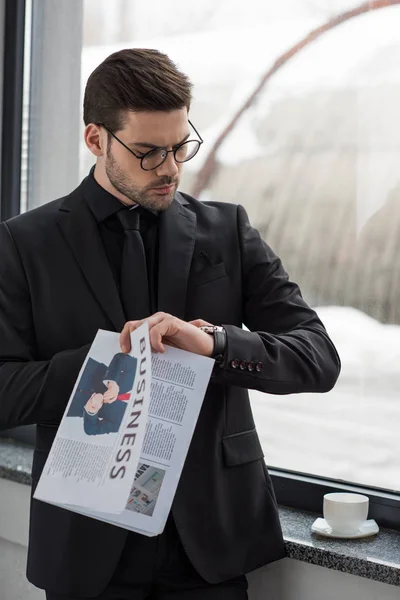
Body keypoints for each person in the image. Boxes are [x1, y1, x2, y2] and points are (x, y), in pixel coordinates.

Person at [0, 48, 341, 599]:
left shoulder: (228, 230)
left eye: (180, 146)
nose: (171, 169)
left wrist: (214, 343)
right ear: (95, 140)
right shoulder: (23, 243)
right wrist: (106, 364)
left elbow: (318, 358)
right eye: (148, 152)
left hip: (208, 547)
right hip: (86, 551)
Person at [67, 352, 137, 435]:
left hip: (71, 404)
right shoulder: (142, 376)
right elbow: (121, 358)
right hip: (77, 369)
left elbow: (92, 429)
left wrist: (92, 410)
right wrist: (112, 382)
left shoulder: (130, 422)